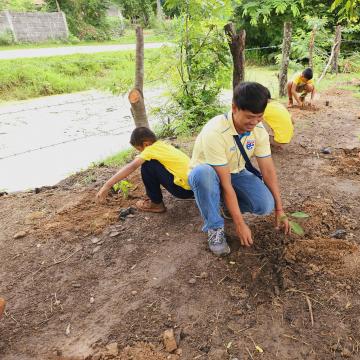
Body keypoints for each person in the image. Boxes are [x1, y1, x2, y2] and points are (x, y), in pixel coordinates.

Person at [188, 82, 290, 256]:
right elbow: (226, 183)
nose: (255, 122)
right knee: (202, 174)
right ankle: (215, 227)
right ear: (234, 108)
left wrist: (280, 209)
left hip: (237, 171)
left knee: (265, 204)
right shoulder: (215, 131)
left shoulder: (258, 130)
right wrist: (240, 224)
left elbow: (268, 170)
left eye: (259, 116)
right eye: (250, 117)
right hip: (210, 174)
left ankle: (225, 206)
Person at [96, 127, 193, 211]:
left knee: (148, 165)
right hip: (196, 188)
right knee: (151, 163)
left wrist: (106, 186)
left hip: (184, 191)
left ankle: (156, 204)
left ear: (146, 144)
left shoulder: (150, 150)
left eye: (139, 149)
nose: (140, 152)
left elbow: (131, 167)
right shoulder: (163, 145)